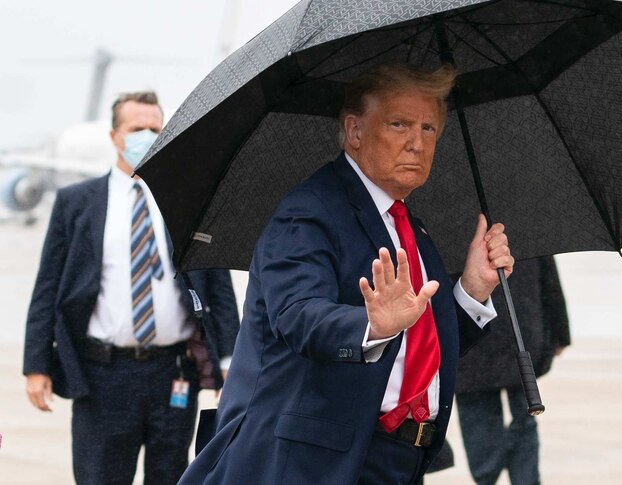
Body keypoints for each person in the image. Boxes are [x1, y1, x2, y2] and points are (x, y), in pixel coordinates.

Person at [180, 63, 514, 485]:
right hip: (312, 465)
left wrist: (472, 290)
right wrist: (370, 325)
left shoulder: (407, 223)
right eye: (399, 124)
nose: (417, 143)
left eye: (429, 129)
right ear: (355, 132)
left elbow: (418, 346)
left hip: (393, 459)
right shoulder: (309, 211)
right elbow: (297, 316)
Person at [22, 91, 241, 485]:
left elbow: (217, 286)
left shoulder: (187, 199)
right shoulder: (77, 202)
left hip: (174, 373)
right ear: (114, 136)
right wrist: (37, 365)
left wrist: (230, 365)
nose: (147, 135)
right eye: (136, 128)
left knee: (173, 476)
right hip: (102, 374)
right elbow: (48, 287)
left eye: (154, 129)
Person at [455, 256, 571, 485]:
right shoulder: (525, 224)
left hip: (479, 343)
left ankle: (493, 478)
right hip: (514, 337)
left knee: (483, 423)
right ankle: (517, 479)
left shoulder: (450, 229)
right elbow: (548, 276)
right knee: (520, 419)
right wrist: (560, 331)